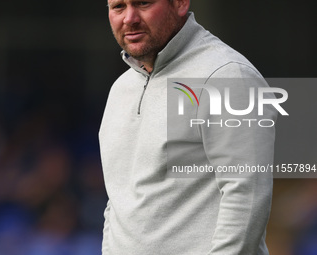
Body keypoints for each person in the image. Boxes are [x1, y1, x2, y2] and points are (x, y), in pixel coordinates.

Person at [99, 0, 276, 254]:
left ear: (181, 3)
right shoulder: (120, 89)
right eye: (118, 6)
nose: (129, 18)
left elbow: (247, 201)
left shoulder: (228, 76)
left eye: (143, 3)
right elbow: (116, 201)